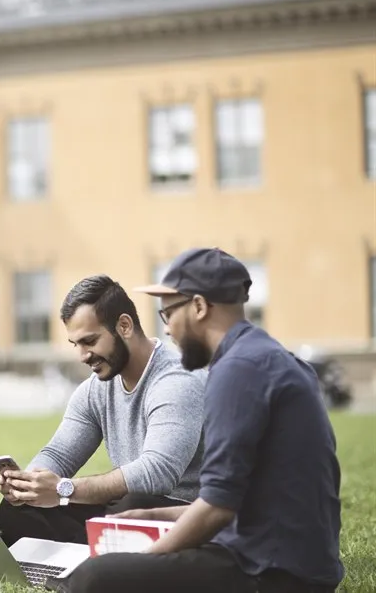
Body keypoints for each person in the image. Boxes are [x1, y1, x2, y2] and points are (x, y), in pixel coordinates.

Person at [63, 248, 343, 593]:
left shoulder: (238, 371)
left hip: (272, 572)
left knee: (93, 579)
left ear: (198, 307)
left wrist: (149, 558)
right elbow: (238, 501)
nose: (167, 331)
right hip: (282, 557)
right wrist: (152, 517)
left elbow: (218, 509)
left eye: (167, 314)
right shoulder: (266, 358)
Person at [0, 275, 206, 546]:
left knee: (131, 505)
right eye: (76, 345)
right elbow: (58, 453)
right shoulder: (96, 388)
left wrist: (62, 489)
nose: (83, 356)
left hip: (180, 512)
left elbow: (157, 473)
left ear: (125, 326)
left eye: (90, 341)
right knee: (16, 510)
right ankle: (98, 549)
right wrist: (29, 483)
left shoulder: (177, 380)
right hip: (124, 508)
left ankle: (90, 550)